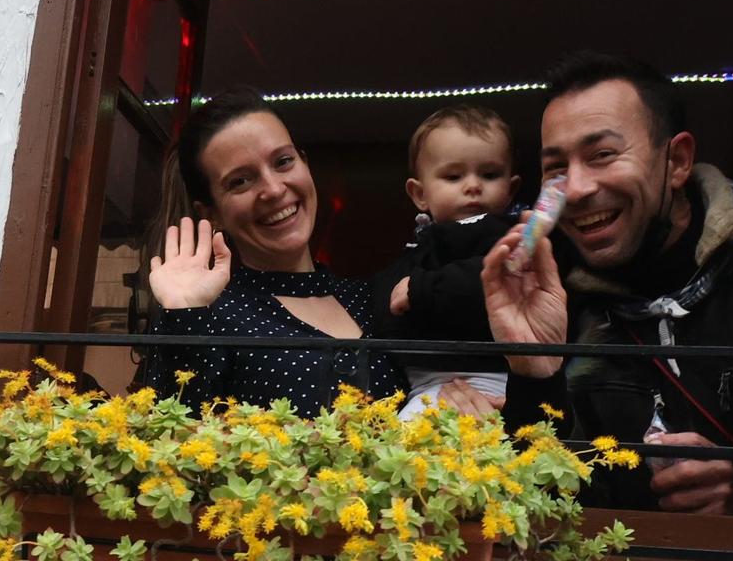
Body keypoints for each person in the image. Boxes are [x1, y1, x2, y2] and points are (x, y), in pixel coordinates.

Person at [146, 93, 566, 418]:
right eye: (240, 181)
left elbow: (527, 417)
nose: (274, 189)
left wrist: (478, 407)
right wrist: (184, 315)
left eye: (283, 161)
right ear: (211, 213)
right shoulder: (210, 313)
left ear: (306, 166)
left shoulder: (375, 297)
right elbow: (170, 454)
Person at [538, 51, 733, 515]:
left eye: (602, 155)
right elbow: (543, 503)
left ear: (677, 161)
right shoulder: (550, 300)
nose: (574, 189)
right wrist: (531, 372)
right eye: (555, 169)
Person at [372, 104, 525, 416]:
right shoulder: (420, 249)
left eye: (490, 174)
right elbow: (389, 305)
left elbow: (494, 279)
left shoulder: (511, 239)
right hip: (424, 387)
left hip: (496, 382)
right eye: (454, 176)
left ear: (511, 189)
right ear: (419, 193)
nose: (473, 185)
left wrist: (423, 291)